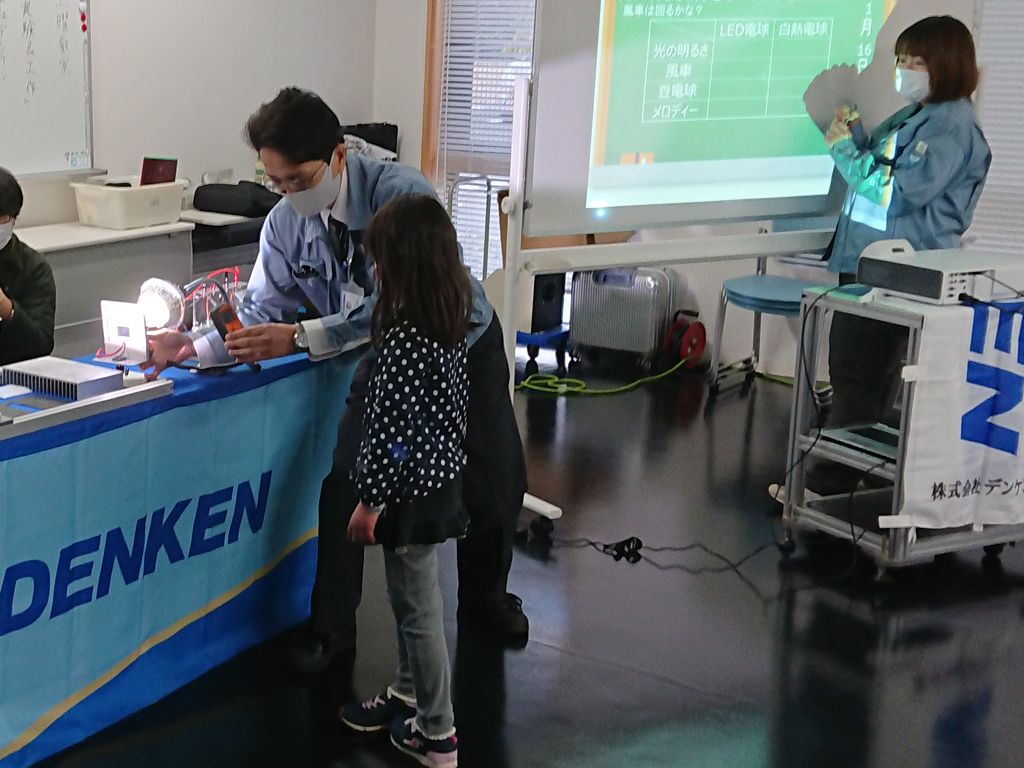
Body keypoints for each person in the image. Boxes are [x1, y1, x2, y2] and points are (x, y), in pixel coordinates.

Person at [145, 88, 529, 668]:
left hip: (455, 341)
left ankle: (486, 602)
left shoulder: (401, 195)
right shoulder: (283, 223)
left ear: (338, 156)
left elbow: (397, 302)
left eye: (298, 180)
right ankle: (331, 630)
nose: (288, 194)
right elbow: (260, 309)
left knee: (492, 482)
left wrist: (300, 337)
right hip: (374, 354)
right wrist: (195, 345)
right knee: (345, 479)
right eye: (275, 182)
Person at [808, 16, 991, 495]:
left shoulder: (953, 126)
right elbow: (883, 163)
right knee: (855, 374)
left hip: (898, 273)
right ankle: (842, 484)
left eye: (917, 60)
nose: (905, 68)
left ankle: (831, 488)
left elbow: (900, 193)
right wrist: (856, 136)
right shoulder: (919, 114)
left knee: (860, 376)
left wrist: (843, 152)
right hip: (871, 265)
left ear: (947, 64)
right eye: (902, 59)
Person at [338, 193, 468, 766]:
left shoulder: (406, 341)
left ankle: (437, 732)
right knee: (412, 601)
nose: (374, 269)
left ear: (400, 265)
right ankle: (409, 693)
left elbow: (393, 435)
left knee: (418, 614)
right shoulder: (448, 321)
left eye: (379, 258)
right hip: (437, 485)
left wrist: (370, 502)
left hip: (407, 496)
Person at [0, 167, 56, 365]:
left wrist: (7, 310)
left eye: (0, 217)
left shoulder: (34, 268)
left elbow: (41, 345)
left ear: (13, 220)